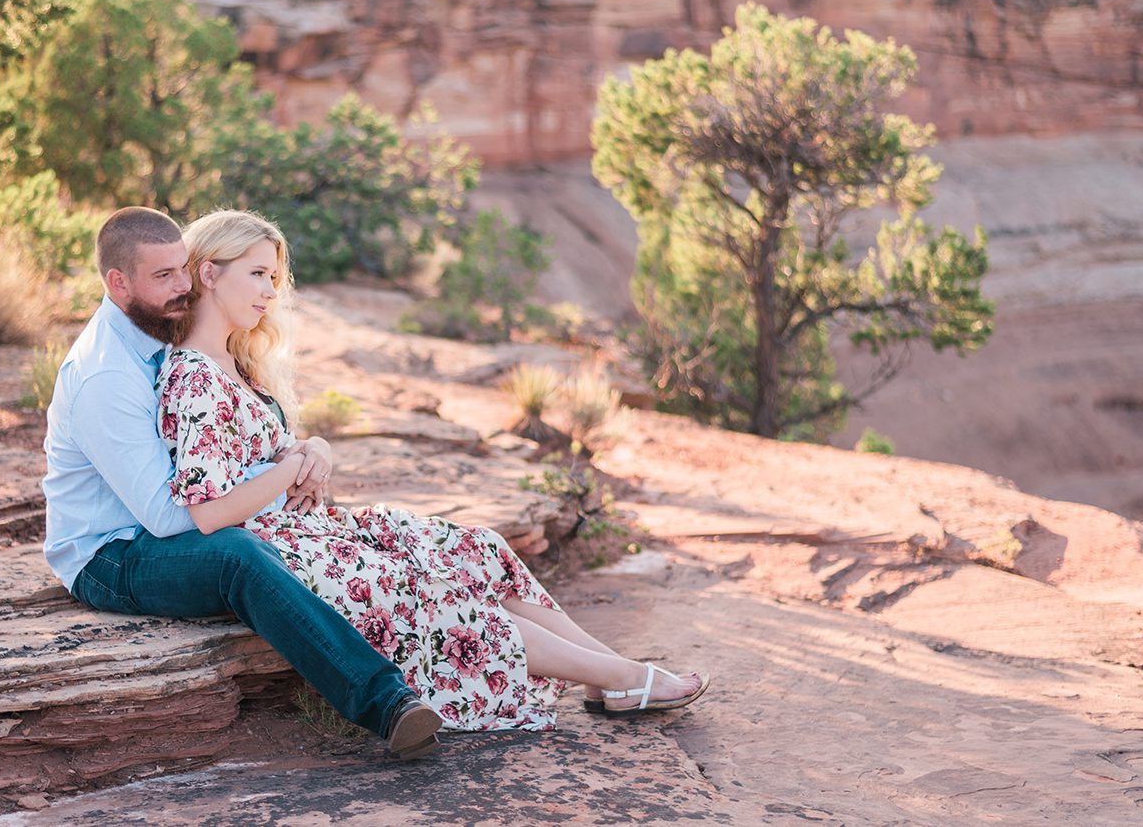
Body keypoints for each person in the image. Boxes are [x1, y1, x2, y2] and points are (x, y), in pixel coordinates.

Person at [157, 209, 710, 730]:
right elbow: (209, 513)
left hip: (317, 527)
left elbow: (266, 453)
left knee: (478, 548)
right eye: (257, 274)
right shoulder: (194, 377)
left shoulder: (237, 361)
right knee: (437, 590)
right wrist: (294, 466)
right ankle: (629, 679)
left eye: (274, 277)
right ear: (209, 272)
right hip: (279, 552)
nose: (270, 292)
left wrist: (314, 448)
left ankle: (609, 672)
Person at [42, 207, 443, 760]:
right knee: (236, 553)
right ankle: (387, 704)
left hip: (160, 524)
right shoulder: (106, 374)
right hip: (111, 554)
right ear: (118, 283)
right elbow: (167, 517)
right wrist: (278, 480)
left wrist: (305, 456)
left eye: (182, 269)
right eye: (163, 278)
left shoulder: (163, 335)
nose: (182, 286)